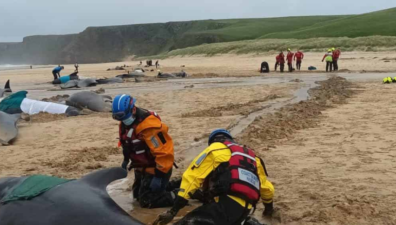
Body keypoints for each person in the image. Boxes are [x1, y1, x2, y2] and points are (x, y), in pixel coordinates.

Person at [153, 129, 275, 225]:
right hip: (245, 209)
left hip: (225, 204)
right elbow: (267, 189)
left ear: (213, 141)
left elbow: (192, 177)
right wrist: (268, 209)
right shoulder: (254, 158)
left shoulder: (215, 149)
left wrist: (174, 210)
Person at [112, 94, 177, 209]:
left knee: (148, 201)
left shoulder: (149, 127)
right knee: (137, 196)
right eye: (117, 117)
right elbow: (126, 144)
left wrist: (159, 175)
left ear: (133, 109)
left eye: (122, 116)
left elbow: (164, 152)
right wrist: (126, 160)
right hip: (141, 167)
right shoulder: (125, 123)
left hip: (157, 167)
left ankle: (182, 195)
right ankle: (171, 185)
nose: (121, 120)